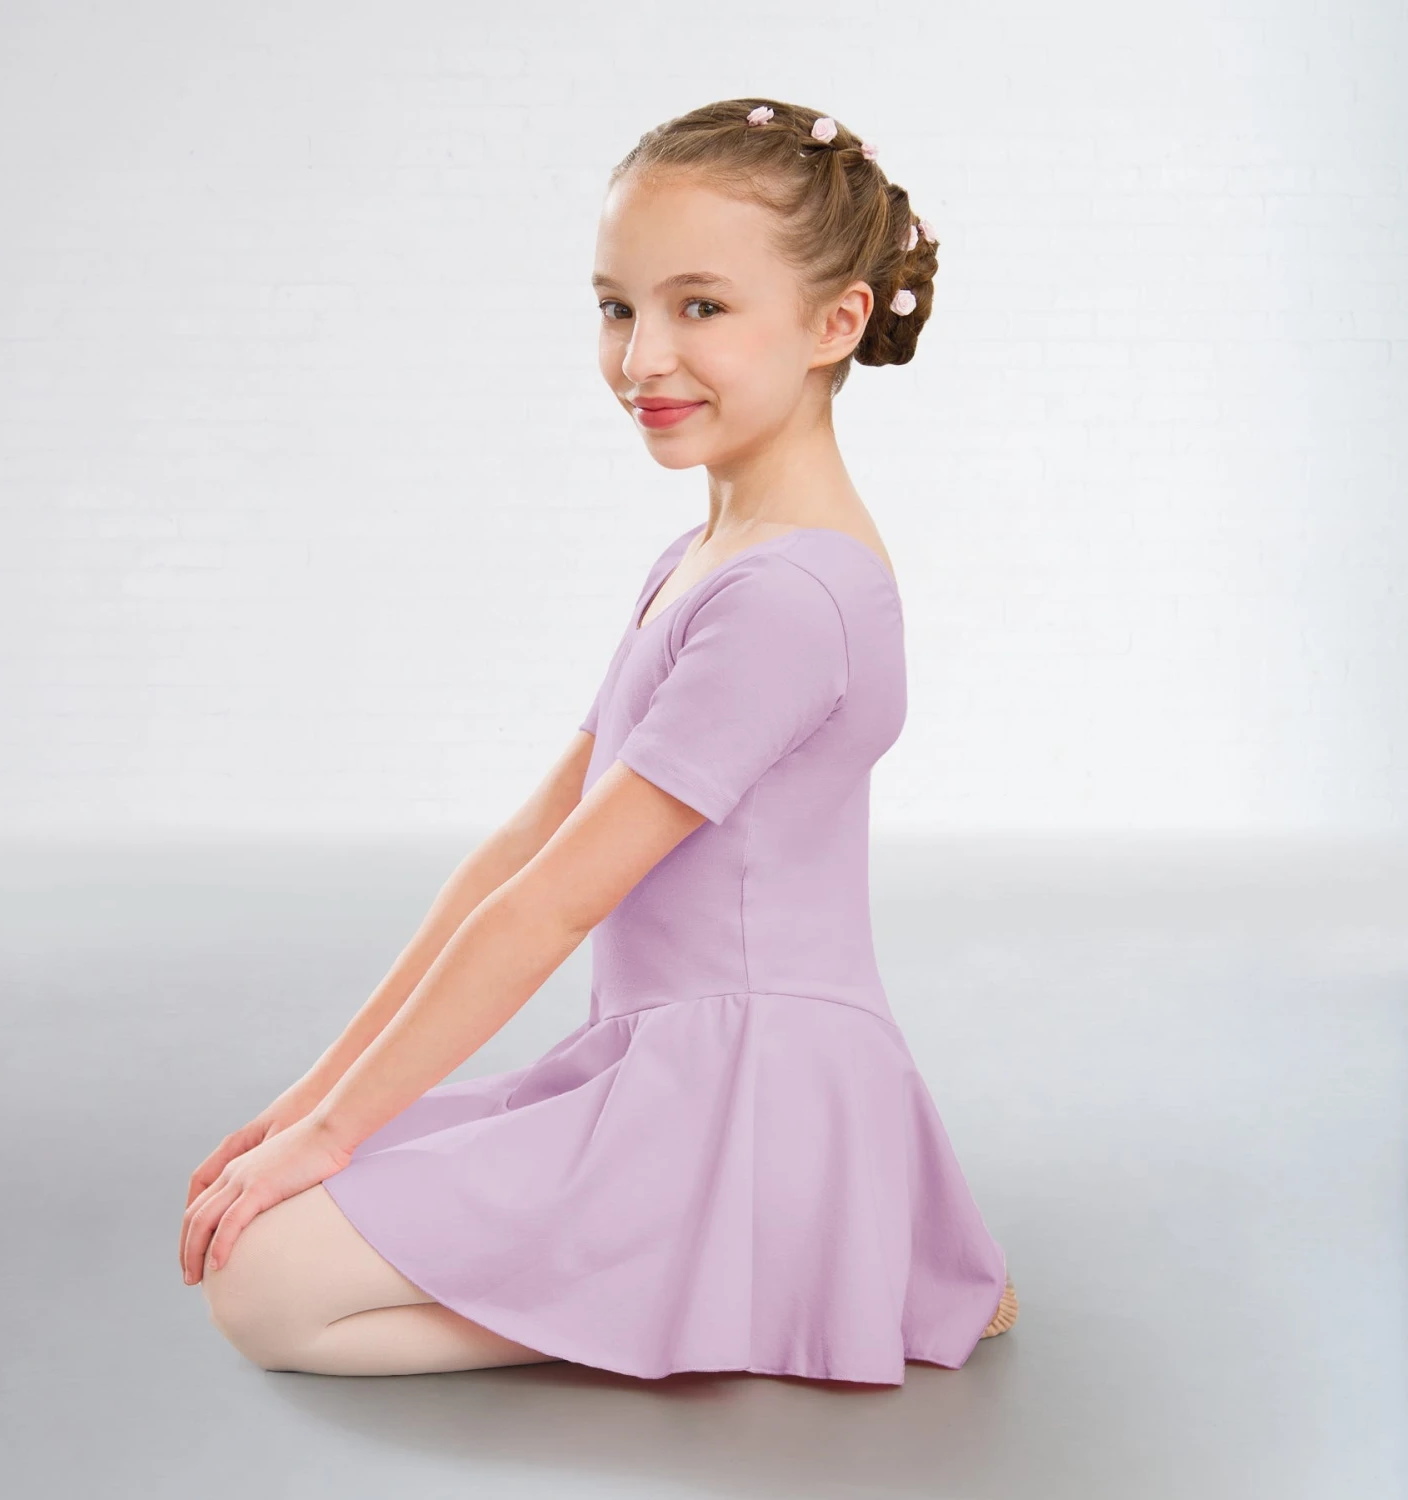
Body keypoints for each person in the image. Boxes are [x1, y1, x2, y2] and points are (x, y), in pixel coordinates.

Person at [182, 96, 1018, 1386]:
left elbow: (557, 902)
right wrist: (313, 1105)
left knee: (265, 1289)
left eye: (702, 306)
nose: (643, 359)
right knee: (287, 1210)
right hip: (655, 1061)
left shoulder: (790, 600)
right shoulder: (701, 558)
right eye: (618, 308)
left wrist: (334, 1131)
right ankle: (774, 1269)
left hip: (743, 1089)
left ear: (835, 323)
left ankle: (762, 1279)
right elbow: (524, 847)